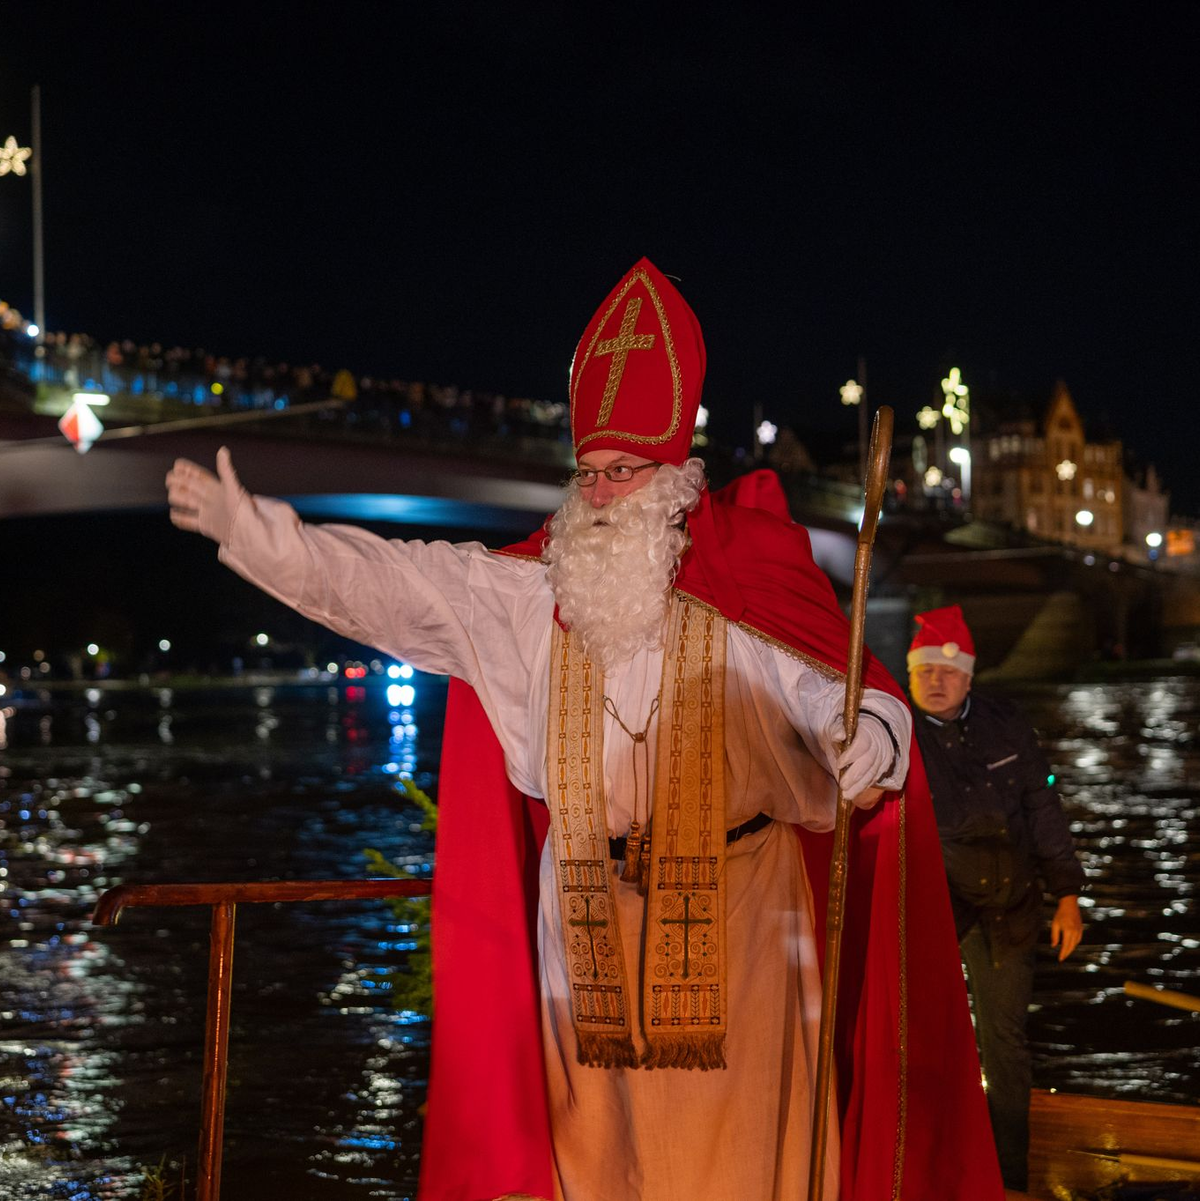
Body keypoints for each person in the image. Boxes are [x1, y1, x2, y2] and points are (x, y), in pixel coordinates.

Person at [167, 258, 1003, 1200]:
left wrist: (867, 742)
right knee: (593, 1172)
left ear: (673, 477)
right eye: (590, 473)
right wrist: (268, 541)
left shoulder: (745, 590)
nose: (600, 495)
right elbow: (396, 586)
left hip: (743, 937)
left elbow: (840, 694)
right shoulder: (532, 596)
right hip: (585, 941)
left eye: (622, 473)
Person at [907, 604, 1085, 1193]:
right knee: (926, 1035)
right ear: (910, 675)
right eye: (926, 670)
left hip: (1011, 906)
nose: (937, 681)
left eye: (949, 672)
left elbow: (1042, 808)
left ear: (970, 677)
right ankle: (932, 1163)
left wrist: (1067, 895)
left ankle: (1009, 1178)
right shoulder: (894, 730)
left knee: (1004, 1044)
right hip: (935, 906)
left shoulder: (1008, 725)